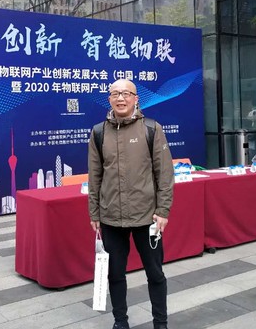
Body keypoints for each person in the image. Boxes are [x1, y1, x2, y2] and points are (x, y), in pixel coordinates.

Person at [88, 78, 174, 329]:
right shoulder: (98, 132)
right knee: (115, 274)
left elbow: (164, 174)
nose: (120, 98)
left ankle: (160, 323)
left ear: (136, 98)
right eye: (115, 94)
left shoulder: (151, 129)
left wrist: (163, 210)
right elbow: (95, 176)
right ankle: (120, 321)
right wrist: (94, 213)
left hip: (147, 217)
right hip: (111, 217)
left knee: (155, 273)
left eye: (126, 93)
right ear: (109, 99)